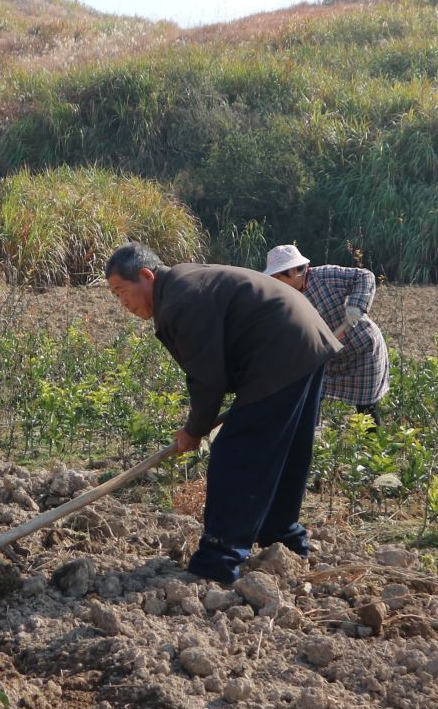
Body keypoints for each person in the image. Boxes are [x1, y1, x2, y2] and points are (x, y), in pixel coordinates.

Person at [105, 242, 340, 584]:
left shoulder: (179, 302)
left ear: (145, 276)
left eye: (122, 291)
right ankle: (284, 539)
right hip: (304, 338)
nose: (123, 303)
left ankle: (218, 559)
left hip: (280, 348)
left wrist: (194, 429)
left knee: (236, 456)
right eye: (116, 296)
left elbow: (207, 377)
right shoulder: (184, 283)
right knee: (286, 452)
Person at [263, 244, 391, 425]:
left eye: (277, 277)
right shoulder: (284, 296)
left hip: (363, 350)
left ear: (292, 272)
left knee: (366, 409)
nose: (275, 282)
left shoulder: (325, 276)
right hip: (328, 355)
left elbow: (365, 276)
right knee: (309, 401)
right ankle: (308, 442)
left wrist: (356, 304)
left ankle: (374, 448)